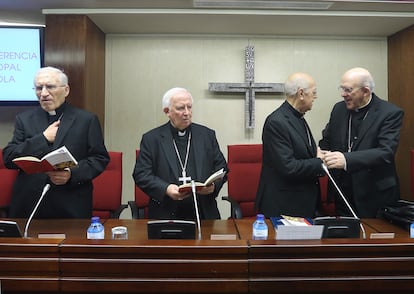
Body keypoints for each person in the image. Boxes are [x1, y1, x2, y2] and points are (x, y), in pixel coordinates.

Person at [2, 66, 109, 218]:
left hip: (70, 204)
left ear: (66, 90)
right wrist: (43, 138)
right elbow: (8, 158)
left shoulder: (86, 120)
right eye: (39, 88)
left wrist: (71, 174)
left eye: (50, 87)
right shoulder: (24, 119)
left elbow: (99, 159)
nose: (44, 93)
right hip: (30, 204)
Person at [319, 67, 404, 218]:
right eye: (342, 88)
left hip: (375, 194)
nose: (343, 94)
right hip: (343, 192)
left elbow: (386, 152)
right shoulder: (339, 109)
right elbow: (327, 140)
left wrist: (346, 159)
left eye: (348, 90)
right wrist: (322, 151)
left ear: (365, 91)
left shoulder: (389, 113)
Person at [133, 87, 228, 220]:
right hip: (166, 214)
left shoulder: (206, 135)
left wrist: (213, 187)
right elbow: (141, 174)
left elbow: (222, 168)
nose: (187, 113)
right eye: (180, 108)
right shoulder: (152, 139)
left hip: (204, 213)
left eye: (189, 107)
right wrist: (166, 188)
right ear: (167, 111)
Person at [255, 72, 325, 218]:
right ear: (301, 93)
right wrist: (319, 162)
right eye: (314, 93)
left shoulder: (298, 117)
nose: (315, 97)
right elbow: (288, 167)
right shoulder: (277, 122)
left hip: (303, 203)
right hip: (284, 206)